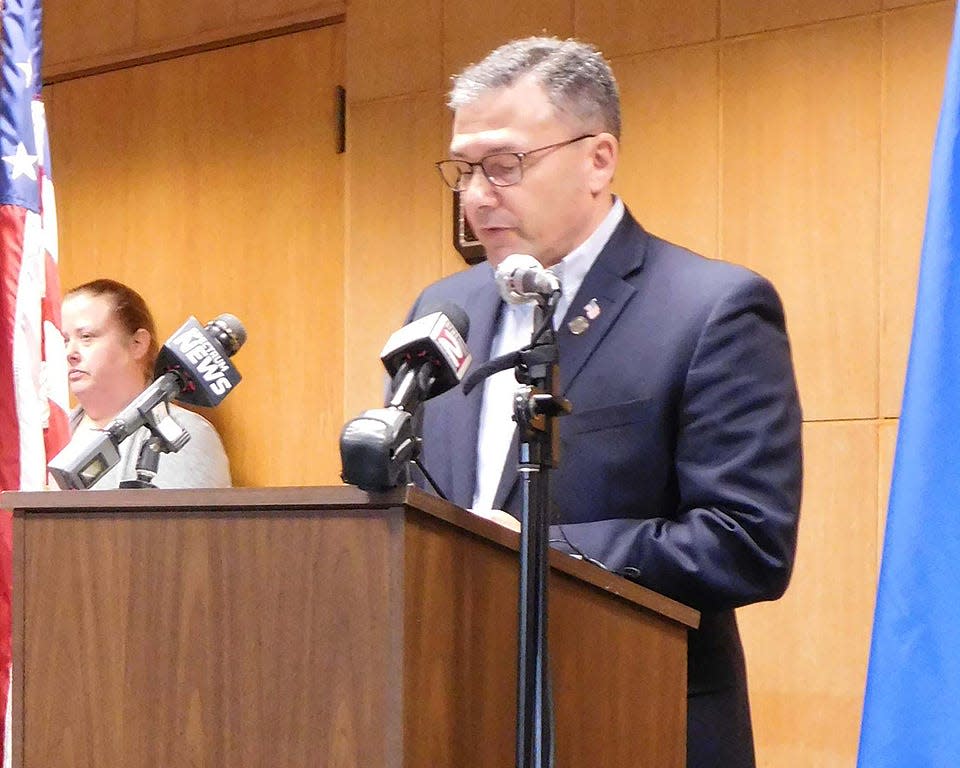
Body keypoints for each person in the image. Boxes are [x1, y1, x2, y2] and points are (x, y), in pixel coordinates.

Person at [412, 37, 803, 768]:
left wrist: (528, 555)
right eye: (464, 169)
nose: (475, 195)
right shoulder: (445, 309)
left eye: (504, 164)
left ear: (599, 159)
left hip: (639, 719)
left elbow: (746, 542)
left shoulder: (710, 309)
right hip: (456, 718)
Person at [58, 278, 231, 489]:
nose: (69, 353)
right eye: (65, 340)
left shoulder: (183, 435)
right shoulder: (47, 437)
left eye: (86, 337)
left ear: (137, 343)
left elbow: (187, 523)